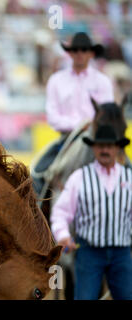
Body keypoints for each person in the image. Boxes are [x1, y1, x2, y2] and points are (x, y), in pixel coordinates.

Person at [50, 124, 132, 300]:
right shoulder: (79, 178)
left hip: (122, 254)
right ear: (93, 148)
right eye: (100, 145)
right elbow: (61, 212)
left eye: (109, 146)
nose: (105, 150)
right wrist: (63, 235)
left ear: (117, 148)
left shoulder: (129, 178)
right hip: (89, 252)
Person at [32, 32, 115, 195]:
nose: (79, 54)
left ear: (91, 53)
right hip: (67, 139)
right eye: (76, 50)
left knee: (125, 170)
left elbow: (108, 115)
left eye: (84, 50)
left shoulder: (102, 81)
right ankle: (40, 211)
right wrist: (81, 125)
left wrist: (90, 127)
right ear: (69, 53)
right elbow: (53, 117)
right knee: (37, 173)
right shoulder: (56, 80)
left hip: (97, 138)